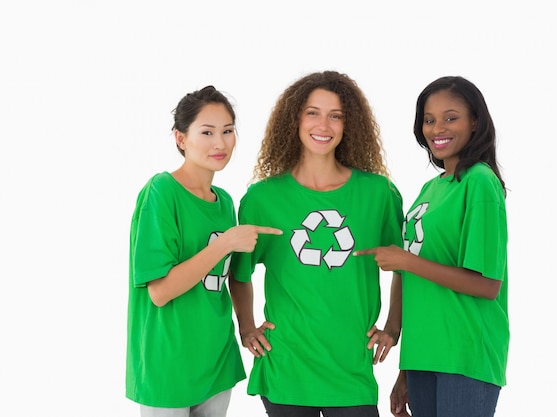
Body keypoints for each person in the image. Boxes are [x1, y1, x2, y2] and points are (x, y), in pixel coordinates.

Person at [229, 70, 404, 417]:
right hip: (287, 366)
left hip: (351, 366)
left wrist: (393, 326)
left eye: (335, 115)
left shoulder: (378, 194)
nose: (323, 124)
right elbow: (240, 272)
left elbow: (404, 265)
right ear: (294, 119)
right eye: (312, 112)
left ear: (348, 124)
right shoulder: (263, 199)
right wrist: (246, 327)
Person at [355, 76, 509, 417]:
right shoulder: (429, 189)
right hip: (424, 353)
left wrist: (405, 261)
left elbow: (486, 284)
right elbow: (412, 275)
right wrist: (404, 364)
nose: (437, 127)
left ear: (475, 123)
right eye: (429, 119)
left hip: (465, 353)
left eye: (450, 117)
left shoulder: (480, 182)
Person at [125, 85, 282, 417]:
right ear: (181, 138)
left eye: (227, 131)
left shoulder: (224, 201)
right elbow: (160, 291)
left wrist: (247, 327)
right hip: (167, 363)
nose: (220, 143)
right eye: (207, 132)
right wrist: (226, 243)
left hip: (215, 358)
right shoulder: (162, 191)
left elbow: (237, 277)